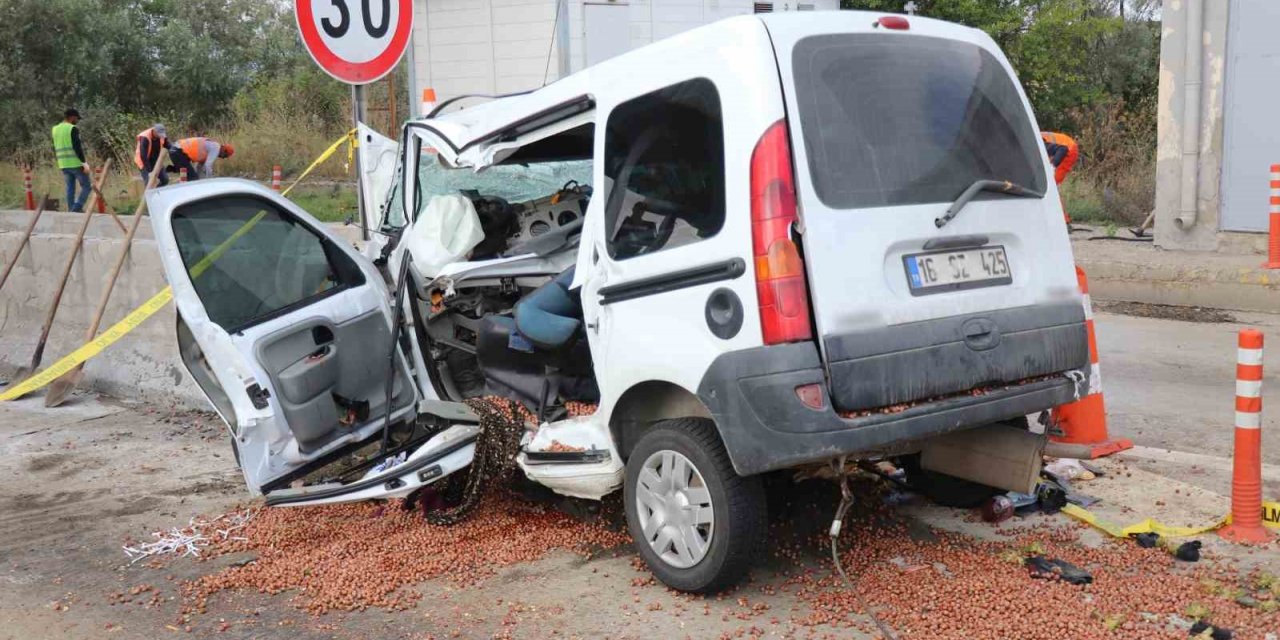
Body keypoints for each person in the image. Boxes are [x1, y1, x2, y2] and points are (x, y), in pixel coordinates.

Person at [51, 108, 90, 212]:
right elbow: (77, 147)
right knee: (87, 186)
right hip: (75, 163)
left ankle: (71, 210)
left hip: (63, 164)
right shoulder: (72, 128)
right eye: (76, 118)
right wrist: (84, 163)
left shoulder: (55, 129)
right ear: (72, 117)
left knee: (70, 188)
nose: (77, 120)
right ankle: (76, 208)